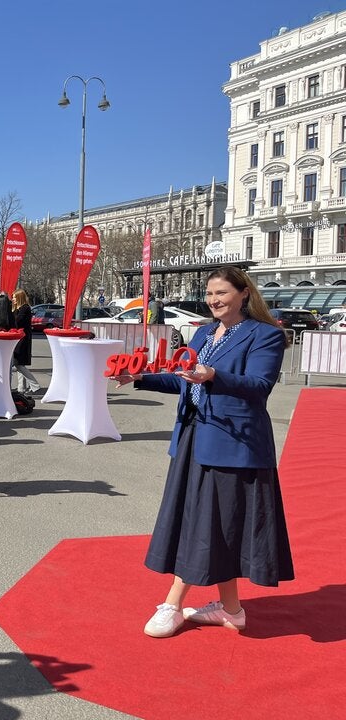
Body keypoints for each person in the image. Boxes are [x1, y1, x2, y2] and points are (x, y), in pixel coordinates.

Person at [114, 266, 294, 639]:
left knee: (205, 523)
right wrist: (141, 377)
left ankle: (173, 604)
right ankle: (232, 610)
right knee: (211, 522)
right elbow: (181, 377)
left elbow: (259, 387)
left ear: (244, 294)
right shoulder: (203, 333)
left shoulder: (266, 335)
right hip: (195, 437)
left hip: (234, 444)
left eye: (222, 293)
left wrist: (213, 375)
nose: (214, 300)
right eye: (210, 294)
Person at [11, 289, 41, 394]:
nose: (12, 299)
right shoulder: (17, 309)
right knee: (20, 363)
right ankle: (21, 388)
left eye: (14, 297)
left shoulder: (25, 309)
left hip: (22, 339)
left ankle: (35, 385)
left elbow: (17, 322)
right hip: (18, 338)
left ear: (19, 298)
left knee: (18, 363)